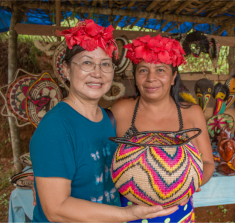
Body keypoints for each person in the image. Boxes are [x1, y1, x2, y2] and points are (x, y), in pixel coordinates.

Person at [30, 20, 178, 223]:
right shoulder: (56, 127)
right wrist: (128, 214)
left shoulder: (106, 118)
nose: (97, 73)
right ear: (65, 69)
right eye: (86, 62)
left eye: (105, 64)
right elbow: (56, 209)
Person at [111, 34, 215, 222]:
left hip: (178, 213)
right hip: (128, 215)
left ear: (174, 77)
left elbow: (208, 163)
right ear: (135, 76)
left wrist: (189, 186)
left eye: (160, 70)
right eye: (143, 70)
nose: (151, 78)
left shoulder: (192, 113)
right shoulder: (120, 111)